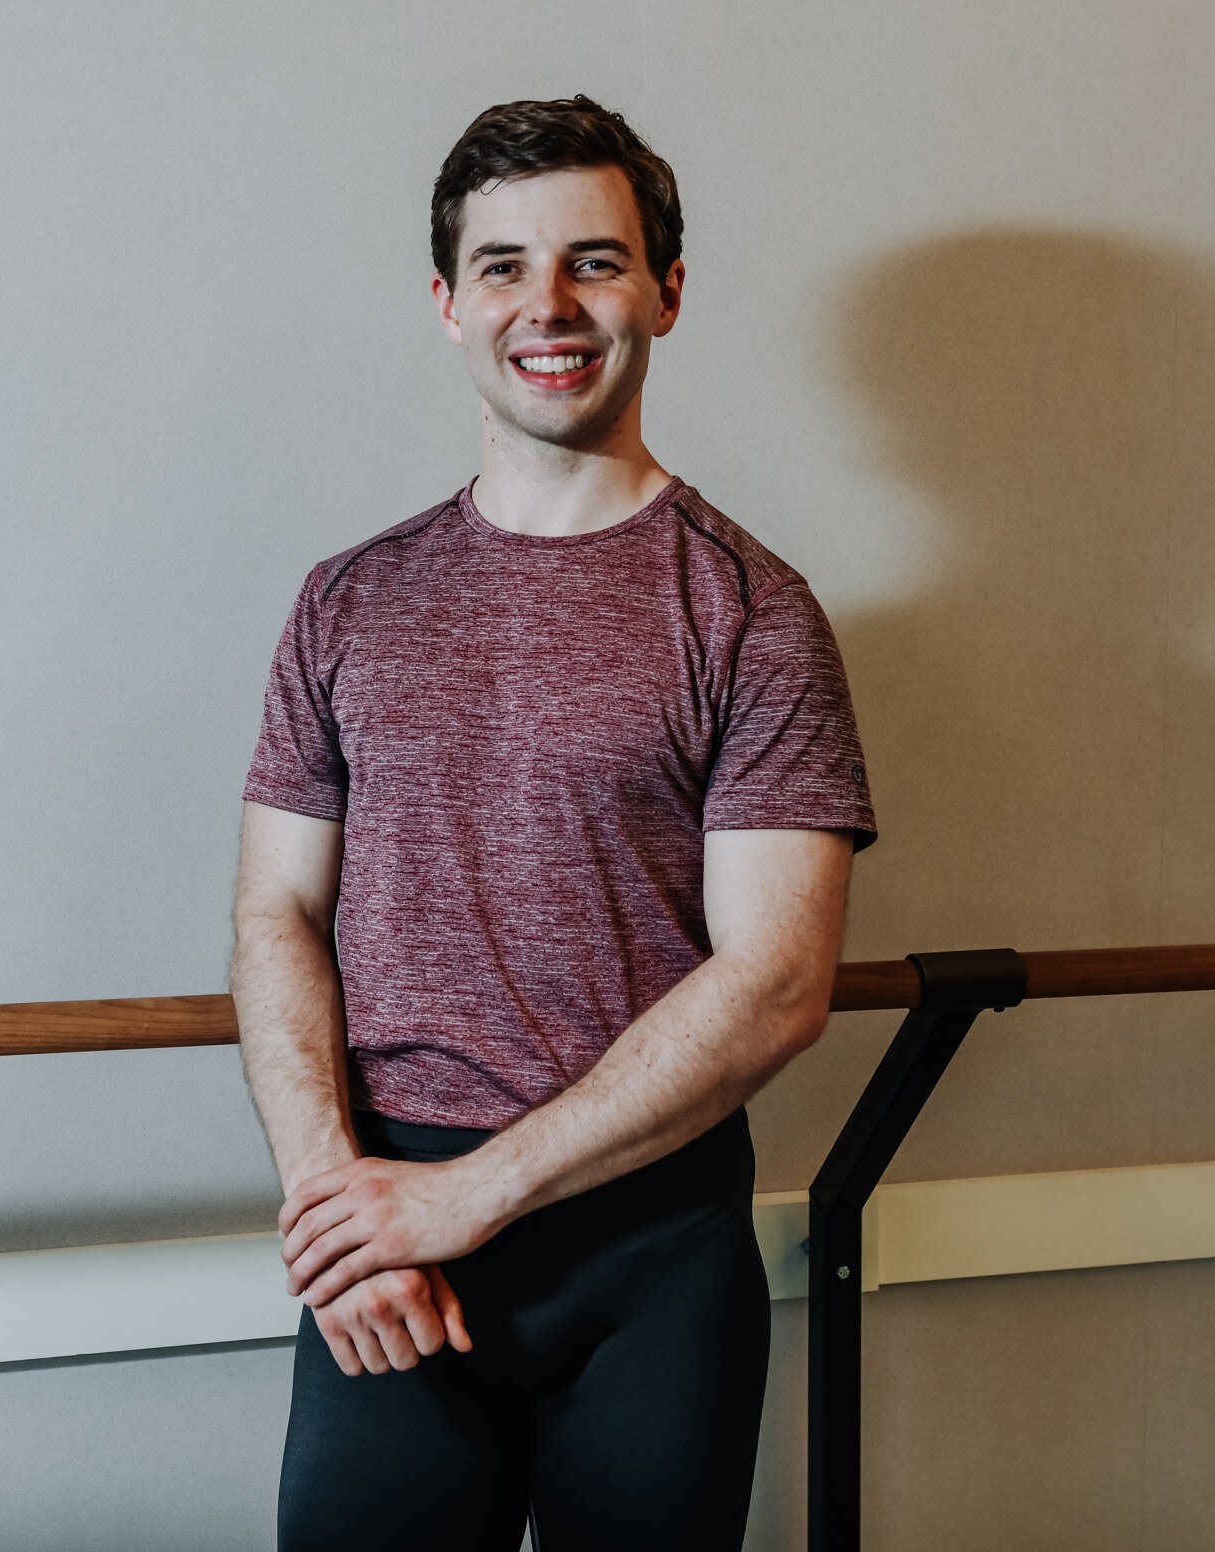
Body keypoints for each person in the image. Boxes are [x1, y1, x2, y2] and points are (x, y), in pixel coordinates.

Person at [230, 93, 878, 1552]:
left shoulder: (753, 615)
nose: (553, 304)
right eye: (507, 265)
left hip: (650, 1250)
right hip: (388, 1231)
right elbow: (277, 912)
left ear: (666, 290)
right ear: (449, 304)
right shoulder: (348, 601)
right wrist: (345, 1212)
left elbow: (778, 982)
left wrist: (473, 1198)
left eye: (596, 260)